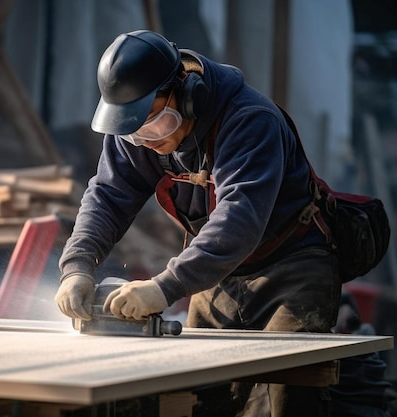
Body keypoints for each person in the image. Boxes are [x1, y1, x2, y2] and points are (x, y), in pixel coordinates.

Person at [54, 30, 342, 416]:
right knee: (204, 394)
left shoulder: (250, 120)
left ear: (190, 96)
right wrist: (77, 266)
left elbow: (238, 219)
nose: (145, 141)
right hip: (218, 272)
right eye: (133, 132)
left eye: (154, 126)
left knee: (291, 393)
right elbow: (108, 196)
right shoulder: (137, 129)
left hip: (293, 268)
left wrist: (165, 287)